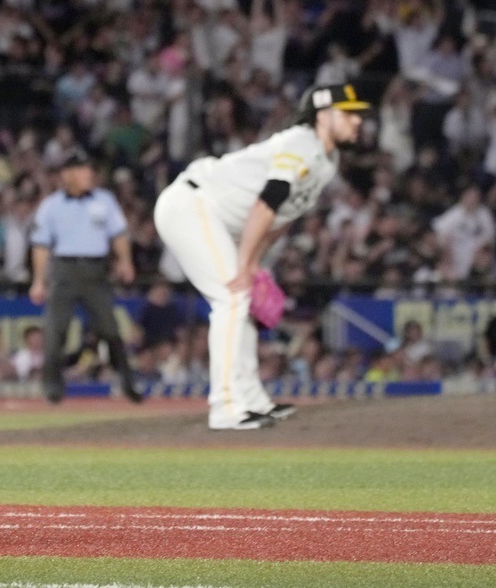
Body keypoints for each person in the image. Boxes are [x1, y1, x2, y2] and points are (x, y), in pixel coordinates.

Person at [153, 83, 371, 430]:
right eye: (348, 114)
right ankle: (225, 407)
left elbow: (283, 216)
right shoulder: (301, 142)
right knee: (232, 297)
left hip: (217, 216)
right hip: (191, 204)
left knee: (245, 299)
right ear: (323, 117)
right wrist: (244, 264)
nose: (357, 121)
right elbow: (268, 201)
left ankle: (252, 399)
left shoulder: (328, 160)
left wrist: (253, 263)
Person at [29, 147, 142, 404]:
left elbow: (119, 234)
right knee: (56, 330)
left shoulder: (104, 200)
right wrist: (39, 280)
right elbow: (41, 245)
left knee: (110, 330)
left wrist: (125, 261)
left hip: (96, 270)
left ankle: (127, 382)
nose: (89, 174)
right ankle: (53, 387)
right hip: (64, 269)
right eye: (82, 170)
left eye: (90, 169)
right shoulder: (51, 206)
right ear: (66, 174)